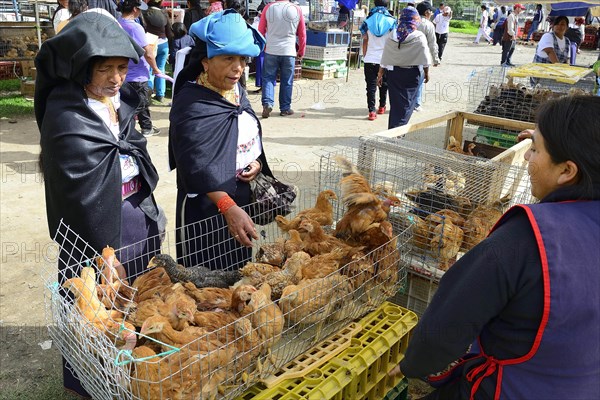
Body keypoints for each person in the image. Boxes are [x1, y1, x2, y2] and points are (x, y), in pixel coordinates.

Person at [389, 95, 600, 400]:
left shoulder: (526, 239)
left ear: (567, 171)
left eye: (536, 150)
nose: (527, 157)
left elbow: (446, 326)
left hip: (513, 388)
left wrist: (414, 364)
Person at [35, 11, 163, 398]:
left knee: (132, 299)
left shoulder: (119, 102)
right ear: (81, 68)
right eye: (105, 68)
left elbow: (128, 149)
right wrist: (102, 251)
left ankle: (128, 372)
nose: (116, 78)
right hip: (89, 225)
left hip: (132, 214)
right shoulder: (65, 115)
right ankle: (86, 383)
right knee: (90, 307)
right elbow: (75, 192)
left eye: (122, 68)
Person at [170, 10, 275, 270]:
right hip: (205, 207)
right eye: (228, 58)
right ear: (206, 62)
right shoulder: (191, 102)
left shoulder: (236, 90)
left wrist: (256, 163)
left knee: (239, 270)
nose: (238, 67)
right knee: (205, 281)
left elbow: (245, 134)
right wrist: (226, 206)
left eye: (242, 59)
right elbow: (193, 164)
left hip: (240, 196)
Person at [378, 6, 431, 129]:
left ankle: (393, 130)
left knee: (396, 105)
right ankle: (398, 132)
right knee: (408, 105)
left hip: (394, 74)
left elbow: (385, 57)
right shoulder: (419, 36)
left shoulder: (392, 35)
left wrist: (380, 74)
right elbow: (425, 59)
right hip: (412, 75)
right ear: (415, 19)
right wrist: (427, 73)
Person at [118, 0, 163, 137]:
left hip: (124, 72)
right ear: (134, 9)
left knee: (128, 104)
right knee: (141, 104)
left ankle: (145, 127)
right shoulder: (135, 28)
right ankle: (132, 130)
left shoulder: (117, 23)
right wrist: (155, 68)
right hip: (138, 73)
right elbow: (148, 53)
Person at [258, 0, 306, 118]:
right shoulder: (296, 9)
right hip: (289, 51)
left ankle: (267, 103)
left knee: (268, 78)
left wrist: (263, 46)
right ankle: (285, 108)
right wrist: (301, 51)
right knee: (287, 81)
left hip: (271, 50)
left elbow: (260, 31)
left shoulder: (268, 8)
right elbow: (302, 33)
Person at [360, 0, 396, 121]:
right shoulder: (392, 21)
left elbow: (365, 40)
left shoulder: (368, 21)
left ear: (374, 4)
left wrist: (365, 55)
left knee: (370, 86)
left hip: (370, 58)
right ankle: (381, 106)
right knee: (384, 84)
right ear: (386, 5)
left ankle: (371, 111)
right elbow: (393, 42)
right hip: (385, 59)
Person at [142, 0, 173, 103]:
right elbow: (169, 31)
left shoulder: (145, 12)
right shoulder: (163, 13)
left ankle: (148, 93)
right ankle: (160, 94)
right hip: (164, 44)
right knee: (161, 69)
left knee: (150, 69)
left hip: (150, 44)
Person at [415, 1, 439, 112]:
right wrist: (435, 59)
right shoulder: (428, 25)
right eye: (431, 12)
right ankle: (416, 104)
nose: (432, 14)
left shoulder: (411, 21)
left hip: (407, 55)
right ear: (426, 12)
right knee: (420, 79)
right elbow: (432, 43)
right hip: (421, 56)